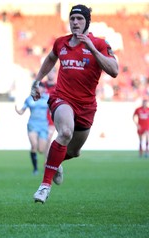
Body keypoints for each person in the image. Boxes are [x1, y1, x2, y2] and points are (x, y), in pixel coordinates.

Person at [30, 4, 119, 203]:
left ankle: (54, 163)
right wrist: (37, 81)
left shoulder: (100, 43)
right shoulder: (61, 43)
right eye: (72, 19)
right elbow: (50, 58)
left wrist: (93, 49)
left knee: (74, 151)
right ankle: (44, 186)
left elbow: (114, 71)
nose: (75, 22)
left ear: (88, 21)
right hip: (62, 98)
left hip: (86, 106)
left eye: (79, 19)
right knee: (65, 132)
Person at [15, 83, 49, 175]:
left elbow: (53, 109)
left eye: (40, 88)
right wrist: (18, 111)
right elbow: (23, 110)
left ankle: (44, 165)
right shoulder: (29, 99)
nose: (38, 90)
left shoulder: (48, 98)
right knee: (34, 145)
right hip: (32, 124)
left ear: (43, 89)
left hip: (43, 125)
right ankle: (35, 169)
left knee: (41, 150)